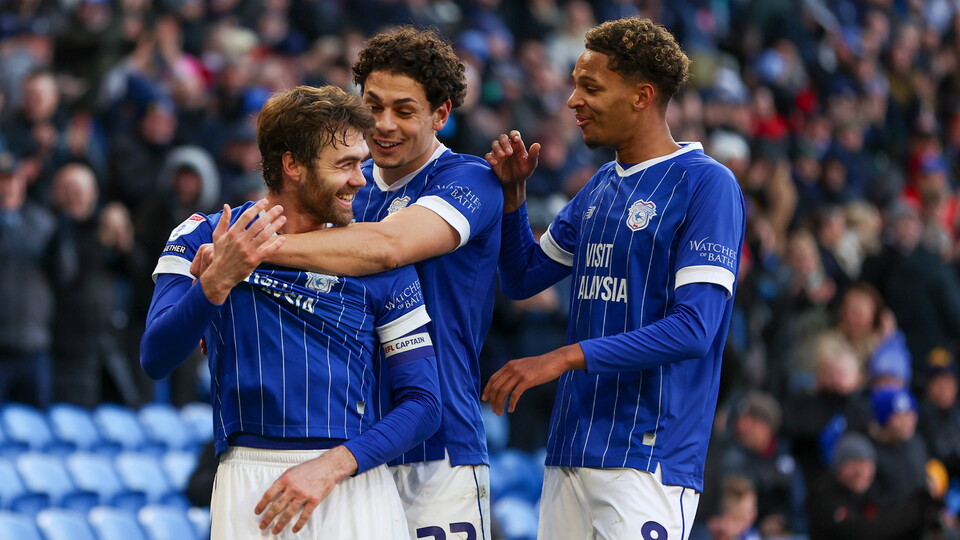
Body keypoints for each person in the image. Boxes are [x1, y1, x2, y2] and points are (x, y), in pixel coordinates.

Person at [483, 17, 746, 538]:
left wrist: (562, 358)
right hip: (571, 448)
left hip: (647, 455)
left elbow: (695, 328)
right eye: (575, 85)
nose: (573, 101)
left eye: (591, 87)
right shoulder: (601, 185)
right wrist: (514, 201)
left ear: (642, 95)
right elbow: (521, 278)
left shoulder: (707, 185)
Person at [140, 85, 441, 539]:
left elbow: (424, 404)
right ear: (292, 165)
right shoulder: (204, 236)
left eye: (361, 163)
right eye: (345, 165)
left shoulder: (375, 256)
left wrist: (332, 466)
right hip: (251, 485)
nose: (361, 179)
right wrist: (215, 281)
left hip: (353, 480)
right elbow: (156, 357)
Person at [259, 27, 503, 539]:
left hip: (439, 448)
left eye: (404, 110)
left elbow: (387, 248)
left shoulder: (471, 180)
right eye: (373, 106)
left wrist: (250, 255)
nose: (383, 125)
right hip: (350, 447)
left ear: (441, 115)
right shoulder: (349, 190)